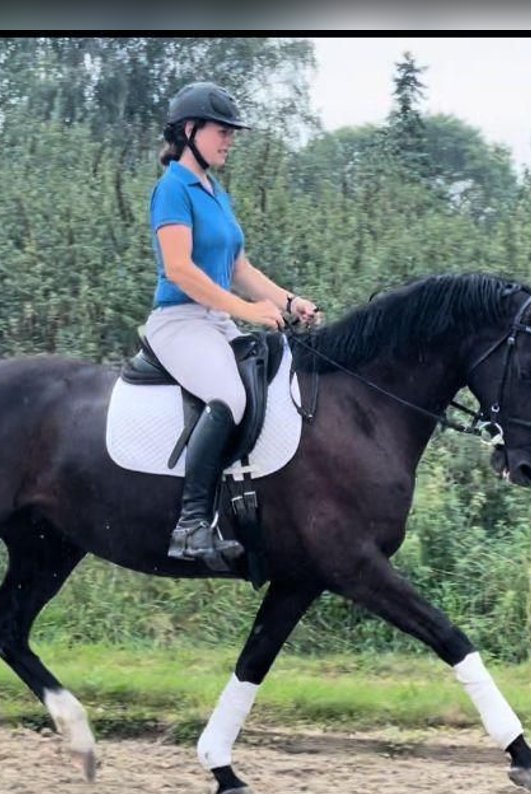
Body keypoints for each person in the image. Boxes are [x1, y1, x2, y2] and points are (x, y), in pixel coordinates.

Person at [145, 80, 320, 566]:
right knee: (229, 396)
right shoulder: (173, 190)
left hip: (216, 321)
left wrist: (288, 301)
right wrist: (246, 312)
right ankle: (190, 525)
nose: (229, 140)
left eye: (231, 133)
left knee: (270, 384)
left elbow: (239, 268)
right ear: (188, 130)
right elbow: (180, 270)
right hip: (180, 321)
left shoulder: (214, 192)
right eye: (221, 131)